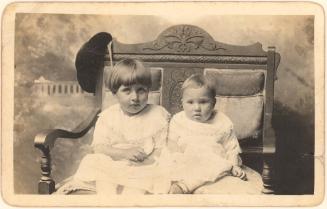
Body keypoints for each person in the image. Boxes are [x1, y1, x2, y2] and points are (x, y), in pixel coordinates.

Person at [63, 58, 170, 195]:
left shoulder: (157, 115)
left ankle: (131, 198)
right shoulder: (108, 116)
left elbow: (161, 149)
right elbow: (99, 147)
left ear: (148, 91)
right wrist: (124, 153)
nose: (135, 97)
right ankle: (107, 199)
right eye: (127, 91)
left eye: (141, 90)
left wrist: (147, 161)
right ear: (115, 93)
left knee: (144, 181)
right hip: (113, 164)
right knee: (94, 161)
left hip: (143, 166)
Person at [162, 74, 247, 194]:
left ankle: (184, 186)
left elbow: (231, 148)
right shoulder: (178, 120)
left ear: (213, 102)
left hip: (213, 162)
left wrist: (234, 165)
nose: (196, 107)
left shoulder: (222, 121)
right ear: (182, 103)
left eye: (203, 102)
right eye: (190, 102)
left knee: (220, 166)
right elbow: (171, 145)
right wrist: (176, 160)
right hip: (186, 161)